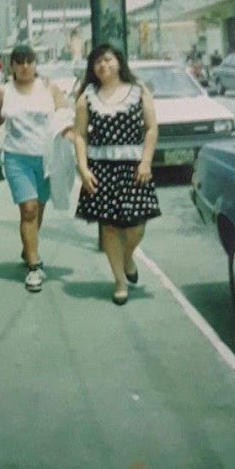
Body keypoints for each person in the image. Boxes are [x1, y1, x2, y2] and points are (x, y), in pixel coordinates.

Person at [73, 43, 161, 305]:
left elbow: (151, 128)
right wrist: (83, 168)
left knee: (136, 227)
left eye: (108, 60)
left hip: (134, 168)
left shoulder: (138, 91)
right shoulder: (87, 97)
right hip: (101, 170)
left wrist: (146, 161)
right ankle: (120, 281)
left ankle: (128, 257)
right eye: (98, 61)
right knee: (110, 228)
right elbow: (79, 135)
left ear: (119, 62)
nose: (103, 65)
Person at [0, 45, 74, 293]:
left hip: (46, 158)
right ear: (12, 67)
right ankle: (34, 266)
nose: (25, 66)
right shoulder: (4, 91)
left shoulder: (49, 89)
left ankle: (28, 247)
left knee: (38, 209)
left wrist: (70, 131)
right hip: (16, 158)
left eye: (29, 61)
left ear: (35, 64)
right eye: (19, 62)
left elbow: (64, 114)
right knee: (28, 209)